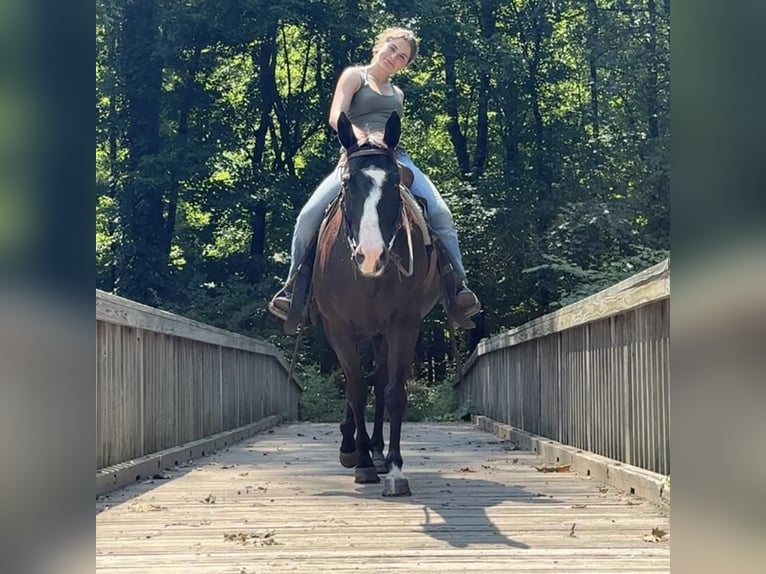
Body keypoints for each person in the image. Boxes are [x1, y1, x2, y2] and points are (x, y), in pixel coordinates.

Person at [269, 27, 480, 321]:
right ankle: (293, 291)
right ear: (380, 45)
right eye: (392, 48)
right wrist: (360, 139)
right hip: (355, 157)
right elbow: (335, 115)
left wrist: (384, 146)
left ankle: (457, 288)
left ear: (406, 65)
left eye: (402, 56)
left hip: (393, 158)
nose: (394, 57)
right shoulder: (355, 76)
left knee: (441, 213)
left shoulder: (398, 93)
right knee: (308, 215)